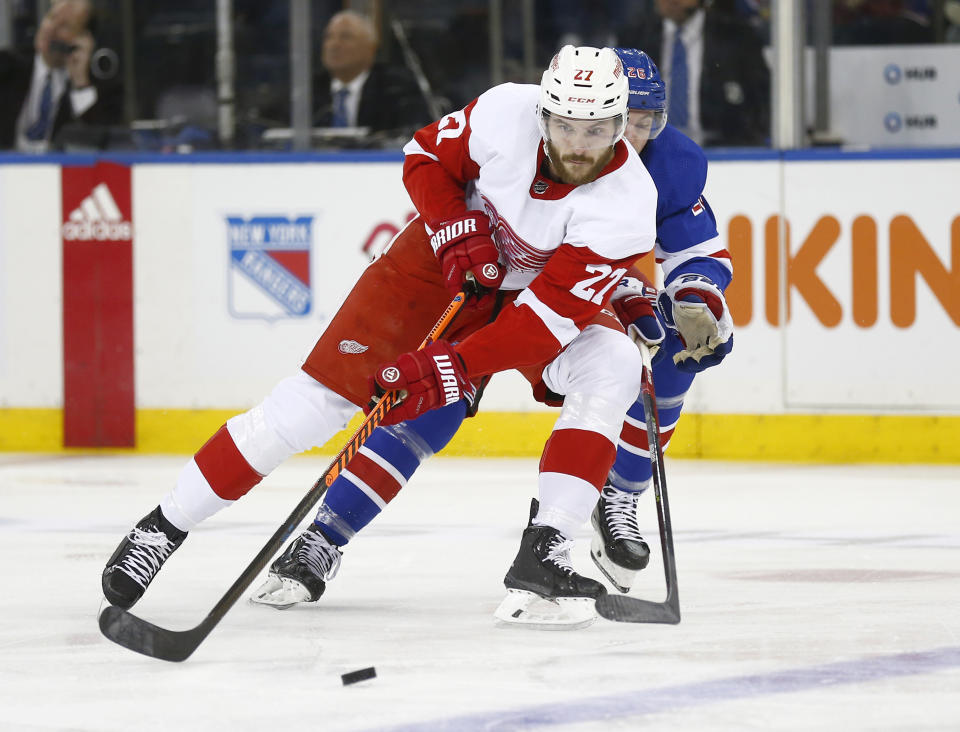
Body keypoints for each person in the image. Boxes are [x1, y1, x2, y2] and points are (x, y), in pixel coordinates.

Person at [102, 45, 662, 627]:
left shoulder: (628, 202)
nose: (577, 144)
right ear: (543, 114)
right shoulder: (504, 112)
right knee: (308, 411)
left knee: (614, 361)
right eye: (566, 125)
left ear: (621, 126)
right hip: (432, 270)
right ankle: (163, 527)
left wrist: (453, 367)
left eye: (596, 129)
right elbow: (423, 156)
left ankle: (546, 548)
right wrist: (452, 226)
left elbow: (539, 324)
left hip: (528, 300)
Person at [245, 48, 733, 624]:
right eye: (629, 118)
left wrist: (695, 292)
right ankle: (325, 536)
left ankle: (614, 497)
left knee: (663, 355)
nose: (635, 134)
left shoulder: (669, 165)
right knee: (432, 407)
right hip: (490, 284)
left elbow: (696, 249)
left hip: (571, 298)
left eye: (647, 121)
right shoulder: (534, 128)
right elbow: (437, 165)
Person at [621, 0, 770, 147]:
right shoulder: (635, 38)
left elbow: (759, 104)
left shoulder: (738, 38)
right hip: (649, 146)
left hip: (721, 150)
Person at [0, 0, 122, 152]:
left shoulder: (103, 88)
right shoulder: (7, 66)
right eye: (51, 17)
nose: (50, 29)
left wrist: (80, 83)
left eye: (65, 26)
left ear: (83, 40)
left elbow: (100, 144)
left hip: (64, 171)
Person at [311, 10, 432, 135]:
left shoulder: (396, 89)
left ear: (371, 47)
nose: (334, 44)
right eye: (328, 37)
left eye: (345, 36)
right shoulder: (309, 91)